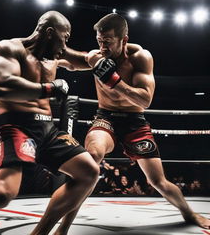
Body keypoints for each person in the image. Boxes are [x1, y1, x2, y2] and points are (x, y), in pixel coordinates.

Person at [53, 13, 210, 234]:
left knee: (158, 181)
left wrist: (113, 80)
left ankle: (189, 213)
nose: (102, 46)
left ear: (124, 39)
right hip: (105, 117)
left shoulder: (140, 57)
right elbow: (68, 59)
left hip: (134, 122)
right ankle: (63, 228)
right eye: (99, 41)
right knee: (92, 158)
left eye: (107, 41)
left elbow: (145, 99)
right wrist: (49, 50)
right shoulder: (97, 57)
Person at [0, 10, 100, 235]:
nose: (66, 43)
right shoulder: (9, 48)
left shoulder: (55, 54)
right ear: (50, 33)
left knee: (89, 171)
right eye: (65, 37)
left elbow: (83, 60)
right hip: (18, 127)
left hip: (48, 130)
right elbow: (4, 85)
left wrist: (107, 55)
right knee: (1, 195)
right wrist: (50, 88)